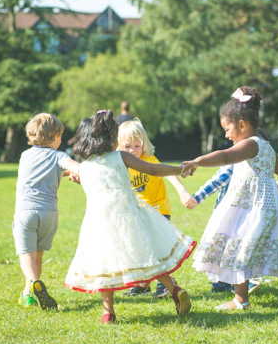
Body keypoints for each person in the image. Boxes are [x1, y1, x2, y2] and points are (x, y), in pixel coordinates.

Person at [64, 110, 197, 323]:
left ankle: (108, 312)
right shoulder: (120, 157)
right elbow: (152, 169)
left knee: (104, 264)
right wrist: (180, 170)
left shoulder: (85, 167)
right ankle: (174, 290)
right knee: (147, 254)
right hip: (129, 216)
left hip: (98, 223)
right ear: (111, 138)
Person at [183, 87, 278, 311]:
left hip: (252, 209)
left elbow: (225, 156)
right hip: (266, 207)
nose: (226, 135)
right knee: (274, 245)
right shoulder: (267, 147)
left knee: (239, 247)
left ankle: (241, 300)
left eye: (227, 129)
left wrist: (198, 161)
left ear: (242, 125)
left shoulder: (250, 145)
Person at [117, 119, 192, 298]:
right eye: (127, 146)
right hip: (137, 213)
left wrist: (182, 191)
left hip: (159, 211)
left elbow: (168, 174)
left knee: (157, 249)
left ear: (144, 144)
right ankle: (142, 285)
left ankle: (166, 284)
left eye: (137, 145)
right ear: (119, 145)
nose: (133, 151)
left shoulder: (150, 160)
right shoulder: (122, 164)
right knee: (139, 248)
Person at [13, 113, 81, 310]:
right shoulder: (59, 156)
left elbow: (39, 170)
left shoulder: (25, 155)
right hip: (49, 213)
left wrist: (67, 172)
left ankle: (34, 281)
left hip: (26, 211)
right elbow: (75, 168)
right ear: (56, 137)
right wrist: (77, 173)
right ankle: (28, 293)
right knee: (38, 254)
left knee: (26, 253)